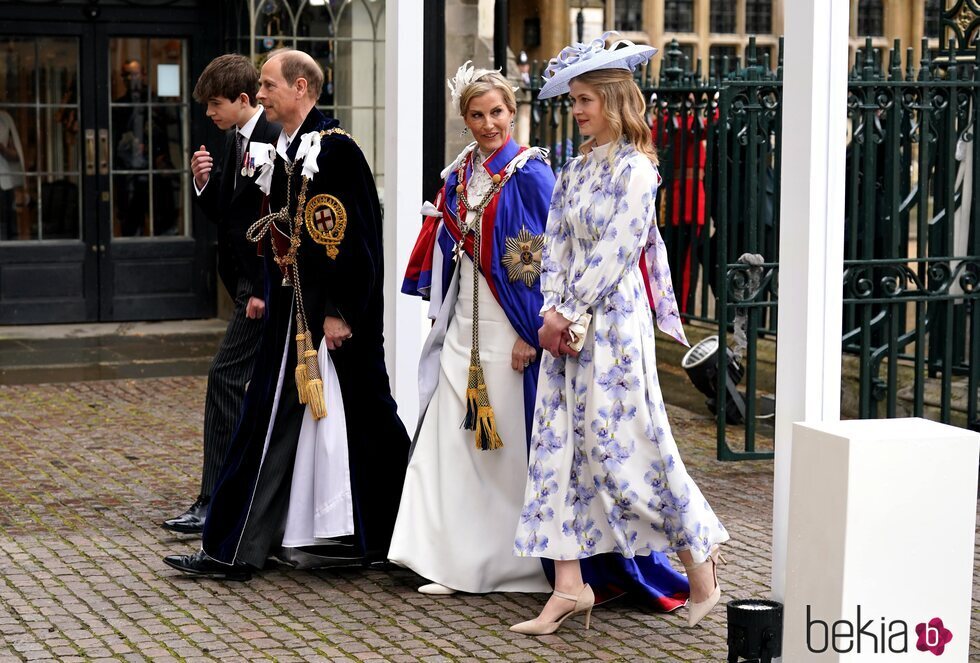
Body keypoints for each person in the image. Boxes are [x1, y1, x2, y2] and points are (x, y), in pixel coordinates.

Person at [391, 63, 689, 612]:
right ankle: (453, 558)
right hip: (467, 324)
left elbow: (543, 258)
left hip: (517, 331)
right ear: (465, 119)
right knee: (455, 444)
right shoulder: (460, 174)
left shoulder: (530, 172)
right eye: (477, 115)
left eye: (497, 112)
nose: (488, 124)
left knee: (508, 449)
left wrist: (534, 331)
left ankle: (522, 563)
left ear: (513, 112)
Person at [510, 33, 730, 635]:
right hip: (564, 327)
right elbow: (555, 241)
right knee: (556, 449)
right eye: (574, 99)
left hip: (611, 327)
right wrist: (550, 309)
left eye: (586, 100)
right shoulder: (576, 168)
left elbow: (617, 250)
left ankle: (700, 565)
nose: (577, 110)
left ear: (614, 99)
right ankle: (569, 587)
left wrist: (570, 310)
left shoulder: (638, 170)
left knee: (626, 450)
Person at [163, 48, 410, 579]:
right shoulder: (285, 148)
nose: (263, 93)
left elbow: (357, 240)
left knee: (371, 424)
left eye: (271, 84)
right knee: (267, 421)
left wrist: (341, 313)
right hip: (291, 311)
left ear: (301, 88)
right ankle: (235, 547)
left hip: (330, 319)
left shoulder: (335, 152)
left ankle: (404, 537)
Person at [161, 54, 281, 536]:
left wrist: (257, 288)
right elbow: (228, 215)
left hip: (260, 290)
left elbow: (270, 224)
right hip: (245, 287)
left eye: (215, 103)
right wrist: (203, 182)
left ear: (244, 99)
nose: (209, 113)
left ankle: (216, 500)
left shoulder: (270, 141)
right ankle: (224, 495)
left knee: (225, 379)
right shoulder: (234, 139)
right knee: (235, 385)